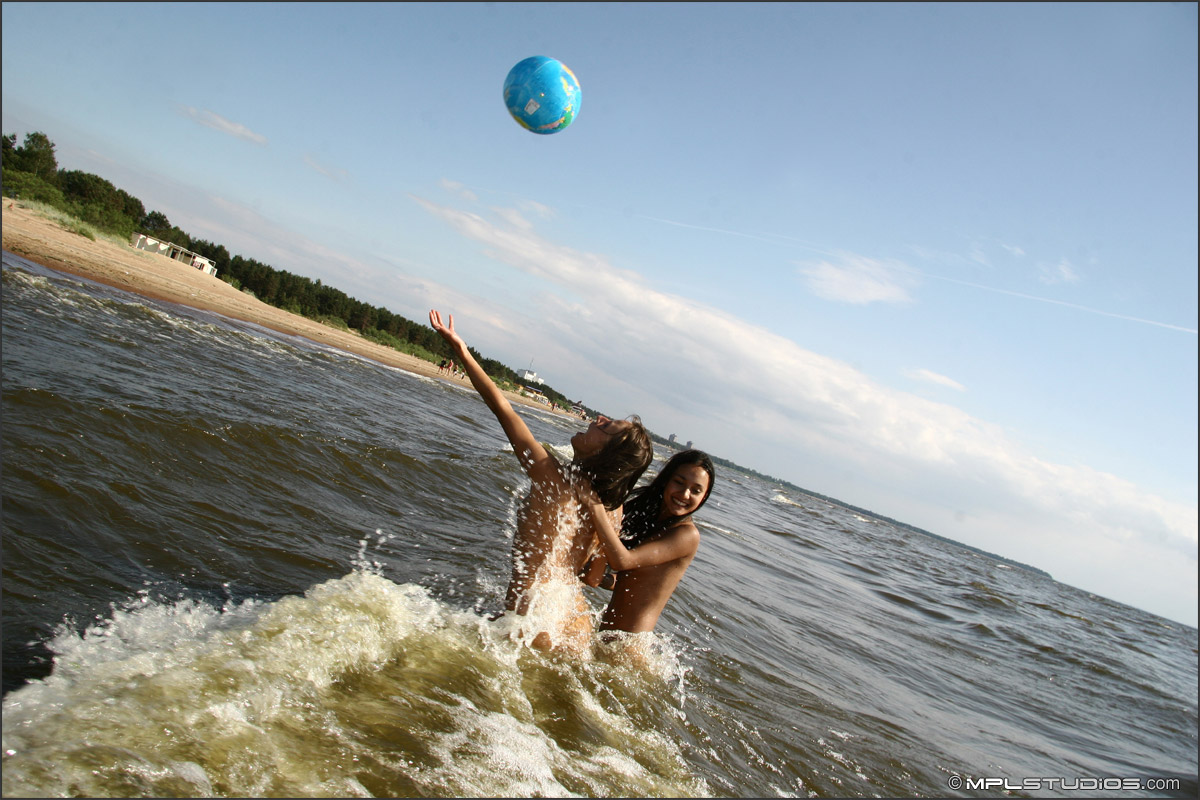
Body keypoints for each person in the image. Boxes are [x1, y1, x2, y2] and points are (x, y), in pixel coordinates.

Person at [428, 309, 654, 652]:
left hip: (535, 620)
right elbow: (594, 577)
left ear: (605, 454)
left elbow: (502, 408)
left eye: (606, 426)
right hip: (573, 622)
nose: (598, 418)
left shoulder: (552, 477)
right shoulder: (613, 508)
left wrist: (461, 351)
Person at [580, 449, 715, 636]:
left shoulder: (687, 535)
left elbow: (623, 561)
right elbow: (632, 582)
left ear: (704, 496)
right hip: (609, 638)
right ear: (666, 480)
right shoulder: (651, 519)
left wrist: (595, 505)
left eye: (696, 490)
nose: (685, 494)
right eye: (679, 482)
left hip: (629, 646)